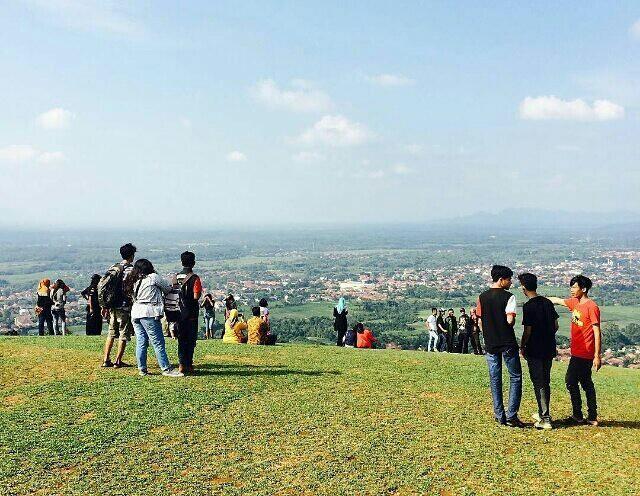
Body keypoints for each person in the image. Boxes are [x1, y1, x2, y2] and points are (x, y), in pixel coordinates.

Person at [548, 275, 602, 426]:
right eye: (571, 287)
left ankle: (579, 415)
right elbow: (558, 300)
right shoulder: (575, 302)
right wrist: (539, 299)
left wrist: (597, 355)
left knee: (571, 381)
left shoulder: (591, 307)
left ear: (583, 289)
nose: (571, 290)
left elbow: (597, 331)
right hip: (577, 351)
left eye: (574, 287)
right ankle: (591, 416)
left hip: (585, 352)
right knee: (585, 382)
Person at [476, 265, 524, 427]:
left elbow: (480, 320)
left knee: (495, 378)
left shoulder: (482, 297)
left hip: (490, 343)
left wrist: (487, 334)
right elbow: (510, 320)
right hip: (507, 342)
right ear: (501, 279)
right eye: (509, 279)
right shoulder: (509, 297)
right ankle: (511, 415)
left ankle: (499, 414)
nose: (511, 282)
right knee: (515, 377)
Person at [126, 259, 183, 377]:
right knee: (158, 342)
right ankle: (166, 368)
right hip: (149, 313)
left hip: (136, 312)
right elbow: (167, 289)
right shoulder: (153, 277)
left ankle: (142, 369)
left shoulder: (134, 280)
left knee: (141, 341)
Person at [518, 273, 558, 430]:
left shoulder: (528, 307)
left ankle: (546, 418)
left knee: (538, 382)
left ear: (523, 287)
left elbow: (528, 331)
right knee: (545, 381)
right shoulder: (548, 303)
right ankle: (543, 412)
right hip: (549, 347)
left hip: (535, 349)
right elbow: (555, 326)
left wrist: (523, 346)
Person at [101, 243, 136, 368]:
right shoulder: (131, 269)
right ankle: (118, 361)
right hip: (125, 305)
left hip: (112, 305)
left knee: (111, 333)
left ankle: (106, 359)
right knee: (123, 333)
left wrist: (104, 304)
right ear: (132, 255)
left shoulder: (114, 267)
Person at [176, 251, 202, 374]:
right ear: (193, 263)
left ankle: (181, 364)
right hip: (191, 313)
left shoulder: (175, 277)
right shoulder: (195, 278)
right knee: (191, 340)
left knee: (181, 339)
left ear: (182, 262)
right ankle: (189, 364)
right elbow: (196, 296)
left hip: (179, 313)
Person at [163, 275, 181, 339]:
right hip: (175, 309)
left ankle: (170, 334)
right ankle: (174, 335)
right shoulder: (179, 292)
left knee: (170, 322)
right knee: (175, 322)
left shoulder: (167, 290)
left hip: (167, 309)